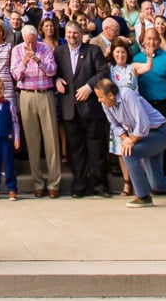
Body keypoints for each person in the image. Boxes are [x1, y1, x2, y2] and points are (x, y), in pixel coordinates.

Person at [96, 77, 166, 207]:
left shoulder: (127, 95)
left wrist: (131, 140)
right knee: (157, 183)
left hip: (159, 134)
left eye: (101, 97)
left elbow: (143, 122)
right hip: (144, 137)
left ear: (110, 95)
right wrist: (125, 138)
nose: (99, 100)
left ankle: (143, 196)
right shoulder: (106, 104)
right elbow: (115, 124)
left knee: (129, 153)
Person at [53, 19, 110, 198]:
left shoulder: (93, 50)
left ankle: (99, 186)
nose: (72, 36)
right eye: (69, 33)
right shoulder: (59, 52)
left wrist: (89, 87)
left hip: (91, 108)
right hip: (70, 110)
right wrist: (56, 80)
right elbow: (55, 72)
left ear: (81, 33)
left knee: (96, 150)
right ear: (65, 35)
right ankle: (79, 186)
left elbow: (103, 72)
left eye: (75, 33)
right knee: (75, 151)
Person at [9, 24, 60, 198]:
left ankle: (54, 182)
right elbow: (15, 75)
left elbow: (53, 70)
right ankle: (38, 182)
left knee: (51, 139)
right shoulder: (16, 50)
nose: (30, 45)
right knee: (32, 140)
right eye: (27, 41)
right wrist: (24, 62)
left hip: (45, 94)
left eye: (33, 41)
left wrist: (39, 61)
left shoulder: (45, 48)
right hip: (26, 95)